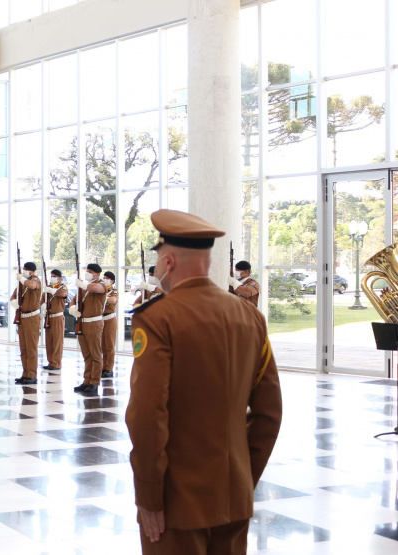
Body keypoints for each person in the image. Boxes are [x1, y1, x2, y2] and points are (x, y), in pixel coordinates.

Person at [125, 209, 282, 555]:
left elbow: (148, 416)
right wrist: (242, 479)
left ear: (167, 262)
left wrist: (150, 496)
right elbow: (269, 413)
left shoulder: (157, 318)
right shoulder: (250, 317)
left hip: (178, 504)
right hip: (233, 496)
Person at [69, 263, 108, 395]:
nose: (87, 273)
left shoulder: (102, 285)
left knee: (95, 355)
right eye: (87, 271)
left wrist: (83, 284)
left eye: (90, 271)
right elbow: (73, 301)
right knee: (87, 355)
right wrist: (73, 309)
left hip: (94, 323)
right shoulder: (83, 288)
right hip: (82, 323)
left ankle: (94, 382)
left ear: (97, 274)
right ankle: (87, 380)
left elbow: (96, 288)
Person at [10, 262, 42, 385]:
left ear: (33, 272)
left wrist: (22, 278)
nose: (24, 271)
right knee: (23, 348)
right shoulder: (21, 283)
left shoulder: (35, 280)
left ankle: (32, 374)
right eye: (24, 269)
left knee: (31, 348)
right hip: (22, 317)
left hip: (32, 317)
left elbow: (32, 286)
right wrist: (13, 301)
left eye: (27, 270)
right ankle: (25, 373)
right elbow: (13, 296)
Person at [41, 269, 67, 371]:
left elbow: (62, 294)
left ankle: (56, 363)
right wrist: (43, 304)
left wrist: (51, 291)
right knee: (49, 341)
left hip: (58, 317)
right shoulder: (49, 288)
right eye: (51, 276)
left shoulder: (62, 287)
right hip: (49, 316)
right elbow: (42, 300)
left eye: (55, 276)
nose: (53, 278)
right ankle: (51, 361)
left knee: (57, 341)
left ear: (60, 278)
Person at [101, 271, 118, 379]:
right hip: (100, 319)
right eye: (104, 277)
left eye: (107, 278)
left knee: (109, 345)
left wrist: (102, 298)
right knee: (102, 345)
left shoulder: (113, 291)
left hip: (110, 319)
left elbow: (112, 300)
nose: (105, 279)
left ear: (112, 281)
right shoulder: (102, 290)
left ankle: (109, 368)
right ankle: (103, 366)